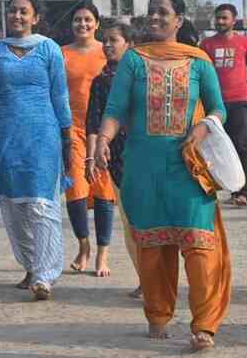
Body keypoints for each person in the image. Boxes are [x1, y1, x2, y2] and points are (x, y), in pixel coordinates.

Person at [95, 0, 230, 352]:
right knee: (153, 246)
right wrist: (103, 140)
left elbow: (219, 109)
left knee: (200, 245)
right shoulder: (134, 60)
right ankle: (157, 314)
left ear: (179, 20)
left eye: (163, 12)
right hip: (144, 168)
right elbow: (115, 108)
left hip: (189, 167)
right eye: (151, 11)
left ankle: (204, 325)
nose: (154, 17)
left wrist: (205, 127)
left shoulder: (199, 61)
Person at [0, 0, 72, 301]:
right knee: (15, 205)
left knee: (41, 204)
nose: (17, 16)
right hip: (7, 137)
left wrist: (67, 133)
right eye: (13, 11)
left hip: (44, 135)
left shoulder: (49, 49)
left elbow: (60, 95)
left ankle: (46, 274)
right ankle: (32, 265)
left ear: (35, 17)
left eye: (23, 12)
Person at [85, 21, 142, 295]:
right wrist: (93, 155)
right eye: (105, 40)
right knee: (130, 222)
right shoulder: (101, 82)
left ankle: (156, 277)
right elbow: (93, 121)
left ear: (129, 44)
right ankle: (146, 278)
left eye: (113, 40)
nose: (107, 45)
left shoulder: (142, 76)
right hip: (117, 159)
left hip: (145, 154)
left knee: (148, 220)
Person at [62, 0, 116, 275]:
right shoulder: (61, 54)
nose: (82, 24)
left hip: (104, 131)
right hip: (73, 130)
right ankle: (83, 246)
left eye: (87, 20)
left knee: (104, 189)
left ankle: (102, 255)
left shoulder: (107, 51)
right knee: (76, 189)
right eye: (77, 20)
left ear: (96, 23)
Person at [200, 2, 247, 205]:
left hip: (239, 101)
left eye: (224, 18)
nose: (220, 21)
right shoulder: (206, 45)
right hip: (214, 103)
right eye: (218, 18)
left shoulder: (244, 42)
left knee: (239, 145)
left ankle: (242, 192)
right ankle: (216, 188)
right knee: (213, 147)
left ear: (233, 21)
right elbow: (200, 73)